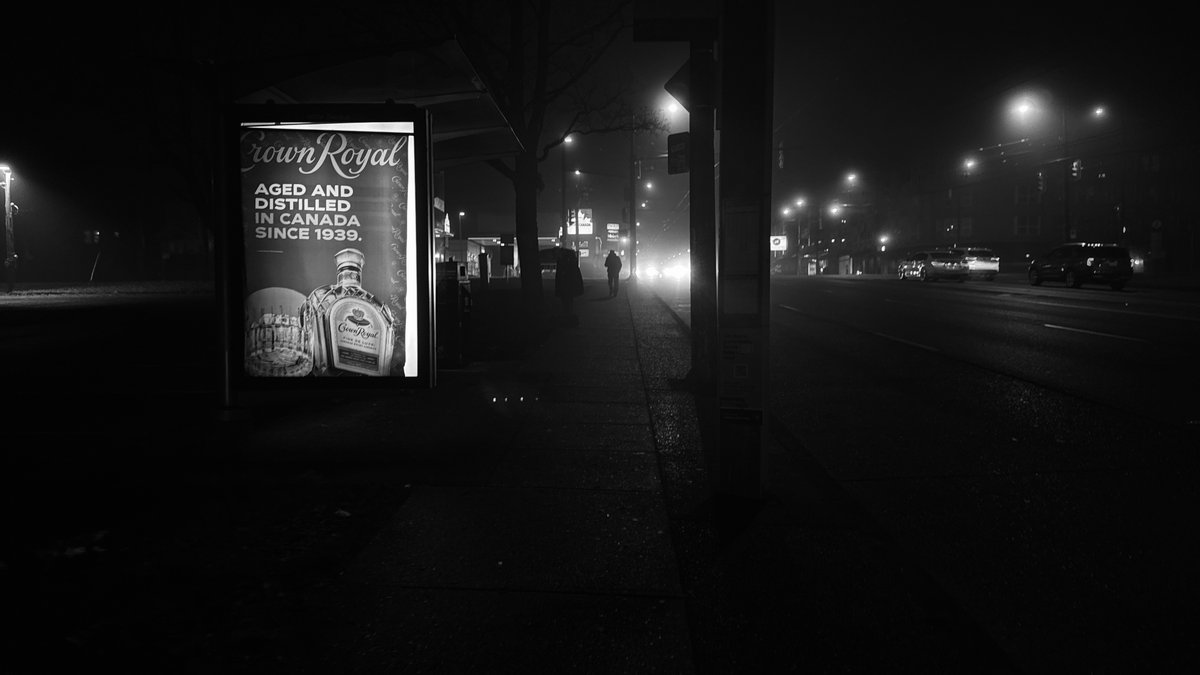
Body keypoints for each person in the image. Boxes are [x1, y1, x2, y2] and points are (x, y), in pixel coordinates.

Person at [554, 248, 584, 323]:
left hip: (565, 286)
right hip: (569, 287)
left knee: (565, 302)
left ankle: (567, 316)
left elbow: (560, 276)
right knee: (569, 301)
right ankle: (568, 315)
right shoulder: (572, 263)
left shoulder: (563, 262)